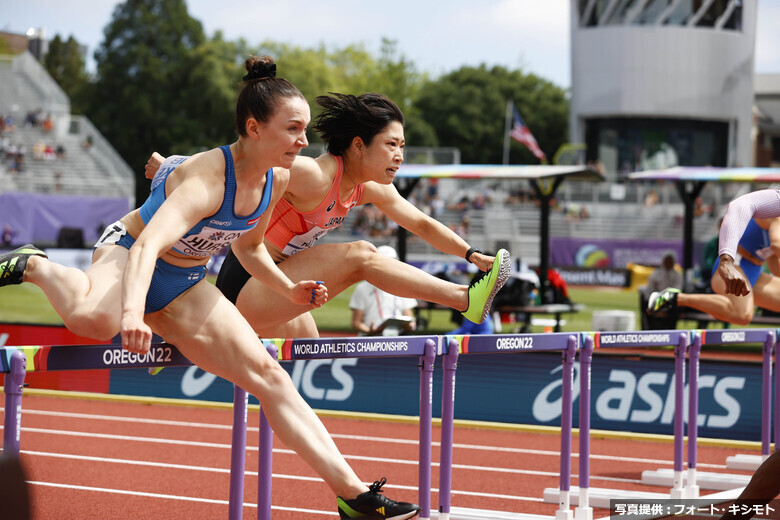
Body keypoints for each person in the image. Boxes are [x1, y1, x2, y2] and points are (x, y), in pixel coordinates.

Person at [0, 56, 420, 520]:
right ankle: (37, 264)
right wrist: (131, 316)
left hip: (185, 281)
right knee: (94, 321)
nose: (304, 142)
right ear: (254, 128)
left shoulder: (277, 177)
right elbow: (146, 249)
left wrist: (287, 288)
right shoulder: (208, 182)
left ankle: (353, 495)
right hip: (131, 251)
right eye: (293, 129)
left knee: (270, 376)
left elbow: (252, 248)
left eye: (305, 131)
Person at [149, 92, 510, 340]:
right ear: (357, 145)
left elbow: (421, 223)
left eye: (402, 146)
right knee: (361, 255)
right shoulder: (313, 175)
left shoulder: (368, 187)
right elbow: (243, 163)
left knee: (310, 348)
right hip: (244, 288)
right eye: (391, 144)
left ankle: (187, 339)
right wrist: (174, 166)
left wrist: (470, 253)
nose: (399, 155)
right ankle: (465, 299)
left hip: (279, 288)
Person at [648, 217, 780, 326]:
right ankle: (674, 298)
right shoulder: (775, 214)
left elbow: (774, 260)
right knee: (743, 315)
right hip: (733, 265)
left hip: (754, 272)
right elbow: (776, 245)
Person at [350, 245, 418, 336]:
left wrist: (411, 326)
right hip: (369, 341)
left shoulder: (403, 286)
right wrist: (369, 331)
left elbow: (410, 319)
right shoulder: (362, 288)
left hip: (396, 340)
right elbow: (356, 323)